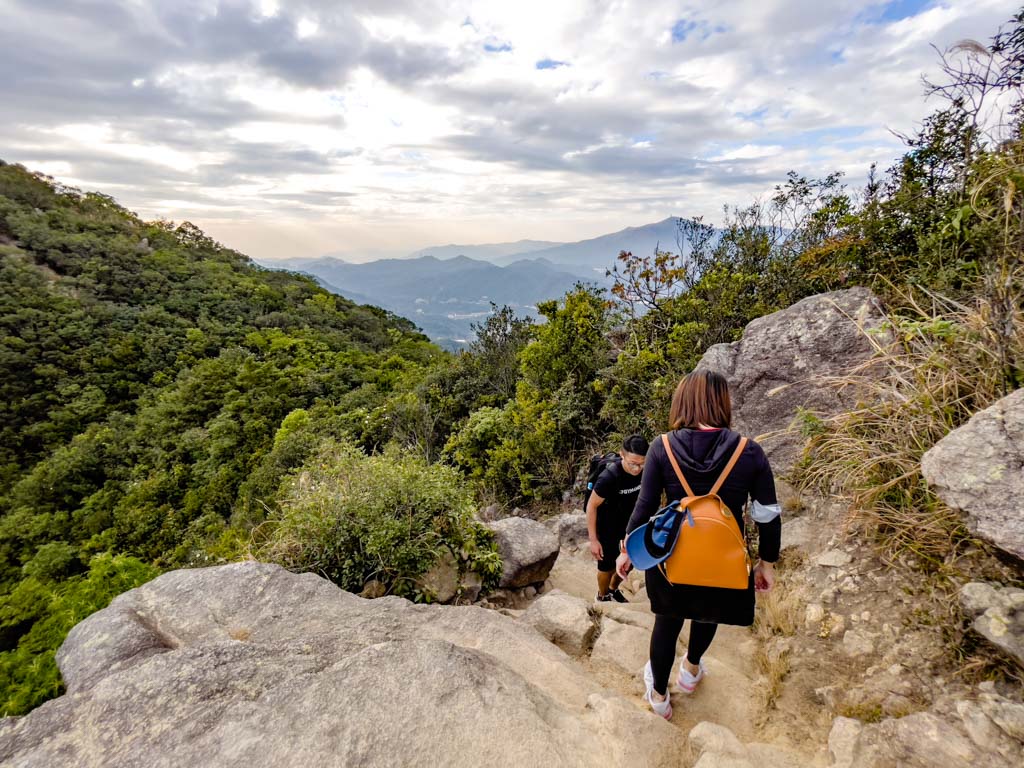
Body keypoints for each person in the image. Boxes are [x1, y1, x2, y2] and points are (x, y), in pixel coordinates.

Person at [616, 370, 781, 719]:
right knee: (709, 613)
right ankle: (691, 671)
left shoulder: (662, 447)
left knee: (666, 623)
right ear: (722, 403)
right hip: (722, 558)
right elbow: (767, 514)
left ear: (683, 402)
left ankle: (659, 697)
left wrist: (627, 551)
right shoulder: (749, 451)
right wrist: (766, 562)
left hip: (671, 557)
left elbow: (645, 506)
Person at [586, 435, 649, 603]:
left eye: (642, 464)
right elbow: (591, 506)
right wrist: (593, 540)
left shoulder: (647, 471)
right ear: (622, 455)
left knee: (629, 564)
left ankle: (613, 590)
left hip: (631, 525)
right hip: (608, 527)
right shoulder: (609, 477)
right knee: (606, 567)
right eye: (633, 463)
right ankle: (602, 595)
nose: (637, 469)